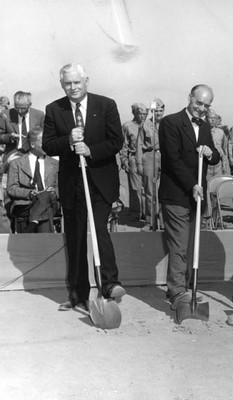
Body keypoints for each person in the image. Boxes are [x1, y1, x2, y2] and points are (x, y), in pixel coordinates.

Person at [42, 63, 126, 311]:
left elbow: (116, 141)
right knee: (76, 236)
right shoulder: (54, 109)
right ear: (62, 84)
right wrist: (68, 140)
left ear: (86, 81)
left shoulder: (106, 105)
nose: (73, 87)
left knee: (99, 230)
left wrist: (91, 151)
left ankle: (110, 284)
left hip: (100, 181)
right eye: (68, 83)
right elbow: (48, 145)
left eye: (77, 82)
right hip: (72, 183)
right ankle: (78, 294)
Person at [158, 84, 220, 310]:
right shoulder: (170, 123)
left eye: (206, 106)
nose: (201, 109)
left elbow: (213, 158)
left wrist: (210, 153)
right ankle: (177, 292)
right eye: (198, 103)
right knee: (179, 245)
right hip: (175, 194)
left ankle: (185, 286)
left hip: (197, 197)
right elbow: (172, 161)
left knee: (191, 244)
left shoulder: (204, 127)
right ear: (189, 98)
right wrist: (192, 184)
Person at [7, 127, 59, 233]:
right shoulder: (16, 163)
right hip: (26, 203)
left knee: (46, 195)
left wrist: (54, 192)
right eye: (43, 142)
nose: (47, 145)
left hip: (50, 202)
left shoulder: (54, 163)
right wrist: (30, 193)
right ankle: (36, 224)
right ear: (32, 144)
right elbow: (11, 188)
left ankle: (32, 224)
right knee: (44, 208)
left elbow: (61, 186)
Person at [137, 98, 164, 231]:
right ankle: (149, 221)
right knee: (149, 191)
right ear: (152, 111)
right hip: (149, 156)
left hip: (164, 157)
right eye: (156, 111)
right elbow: (139, 145)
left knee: (165, 190)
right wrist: (139, 163)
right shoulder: (146, 124)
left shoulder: (167, 123)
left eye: (160, 110)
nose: (158, 113)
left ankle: (164, 221)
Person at [0, 91, 45, 167]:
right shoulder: (5, 114)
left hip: (35, 153)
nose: (20, 111)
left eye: (23, 108)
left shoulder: (39, 115)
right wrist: (9, 137)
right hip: (13, 154)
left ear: (30, 105)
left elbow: (45, 135)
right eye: (17, 107)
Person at [119, 102, 148, 220]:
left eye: (144, 114)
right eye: (139, 114)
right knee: (135, 188)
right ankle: (136, 212)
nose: (142, 116)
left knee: (148, 188)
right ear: (134, 113)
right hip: (133, 158)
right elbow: (123, 145)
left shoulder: (149, 125)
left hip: (147, 159)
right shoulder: (127, 126)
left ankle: (147, 213)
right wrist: (124, 161)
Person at [206, 109, 230, 179]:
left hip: (218, 165)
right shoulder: (203, 132)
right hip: (207, 165)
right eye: (210, 118)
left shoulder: (221, 132)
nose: (212, 120)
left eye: (214, 118)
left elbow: (224, 150)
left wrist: (224, 165)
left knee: (217, 184)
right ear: (206, 119)